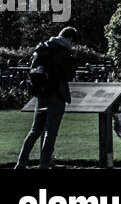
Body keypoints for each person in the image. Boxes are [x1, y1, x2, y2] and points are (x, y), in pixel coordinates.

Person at [15, 26, 78, 170]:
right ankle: (44, 165)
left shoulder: (44, 48)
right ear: (70, 39)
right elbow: (69, 75)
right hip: (56, 94)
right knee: (51, 132)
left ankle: (21, 163)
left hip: (41, 93)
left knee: (35, 130)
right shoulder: (63, 51)